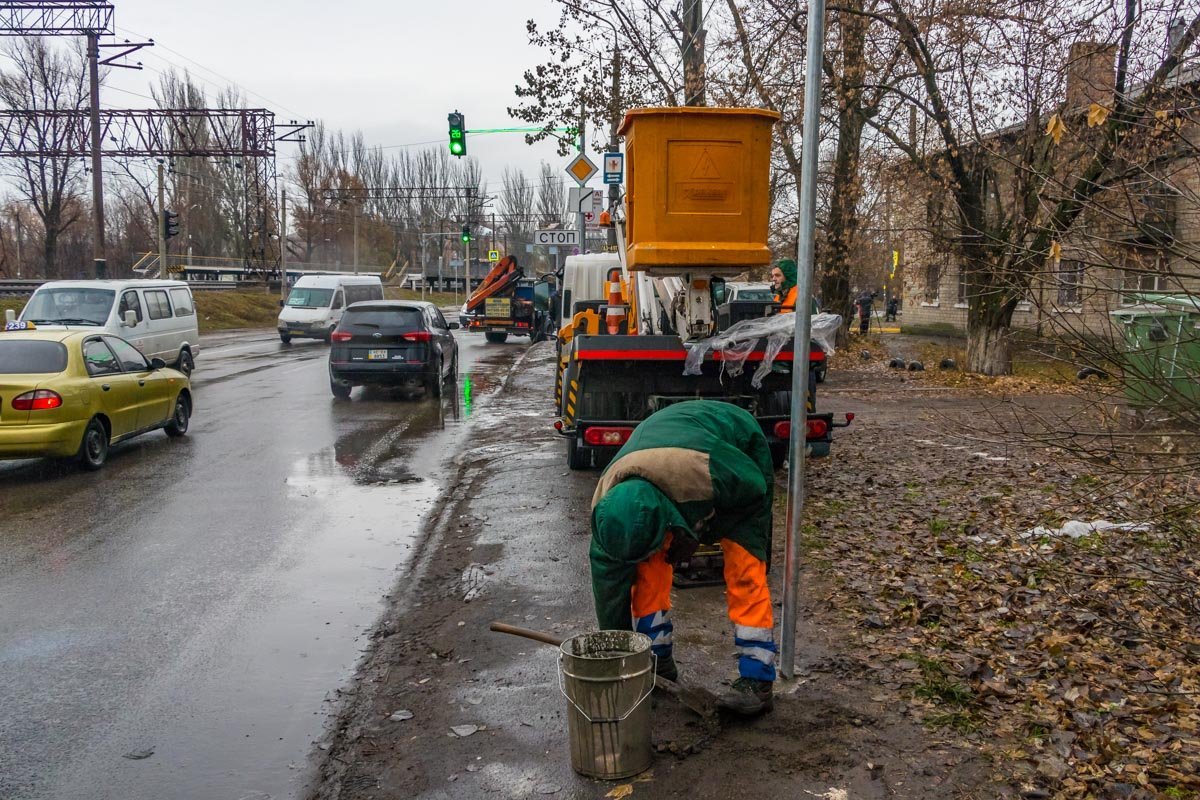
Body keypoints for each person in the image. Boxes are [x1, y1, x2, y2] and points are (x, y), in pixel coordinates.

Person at [590, 400, 777, 716]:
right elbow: (610, 602)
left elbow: (754, 490)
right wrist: (620, 656)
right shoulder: (607, 517)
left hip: (735, 457)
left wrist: (699, 531)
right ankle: (658, 664)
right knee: (648, 571)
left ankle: (758, 679)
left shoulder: (704, 471)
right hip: (666, 459)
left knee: (744, 567)